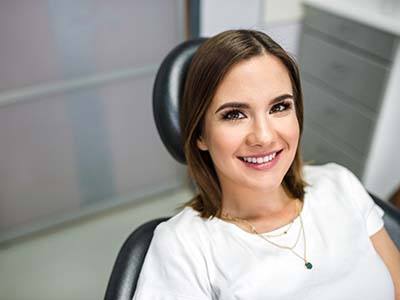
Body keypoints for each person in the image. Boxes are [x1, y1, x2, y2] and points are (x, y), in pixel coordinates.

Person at [133, 29, 400, 299]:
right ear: (200, 133)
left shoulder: (340, 184)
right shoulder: (182, 246)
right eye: (235, 114)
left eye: (279, 107)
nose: (264, 136)